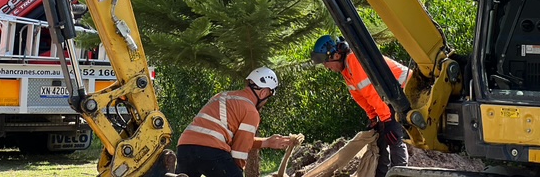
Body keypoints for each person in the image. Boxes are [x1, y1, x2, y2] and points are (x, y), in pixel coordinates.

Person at [311, 35, 411, 177]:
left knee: (393, 138)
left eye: (326, 63)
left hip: (406, 91)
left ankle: (400, 173)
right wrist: (373, 119)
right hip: (389, 99)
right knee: (381, 142)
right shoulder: (346, 69)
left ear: (336, 54)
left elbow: (372, 94)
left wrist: (387, 120)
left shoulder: (354, 61)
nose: (326, 67)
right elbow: (361, 98)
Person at [175, 67, 292, 177]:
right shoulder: (251, 111)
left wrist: (267, 142)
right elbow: (239, 152)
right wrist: (237, 173)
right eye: (268, 97)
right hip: (211, 151)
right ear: (264, 93)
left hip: (184, 147)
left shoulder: (221, 96)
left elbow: (221, 135)